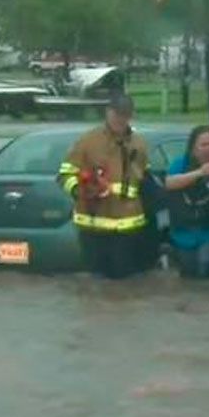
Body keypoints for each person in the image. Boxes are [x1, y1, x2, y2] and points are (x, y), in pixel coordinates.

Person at [57, 94, 151, 279]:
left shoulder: (139, 143)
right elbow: (65, 174)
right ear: (108, 112)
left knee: (125, 284)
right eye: (117, 114)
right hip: (93, 227)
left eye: (125, 115)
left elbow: (145, 178)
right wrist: (80, 191)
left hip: (129, 227)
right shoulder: (88, 141)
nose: (120, 119)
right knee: (96, 283)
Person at [164, 125, 209, 279]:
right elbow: (169, 183)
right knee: (188, 271)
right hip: (183, 231)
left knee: (204, 266)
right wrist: (199, 173)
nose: (208, 149)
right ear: (194, 149)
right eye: (203, 145)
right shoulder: (181, 163)